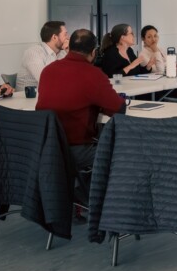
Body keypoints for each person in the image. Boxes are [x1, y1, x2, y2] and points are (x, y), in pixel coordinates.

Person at [36, 29, 125, 171]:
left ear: (69, 48)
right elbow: (118, 110)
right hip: (76, 151)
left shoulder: (48, 70)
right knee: (123, 153)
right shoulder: (93, 74)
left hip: (45, 149)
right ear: (94, 52)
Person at [16, 20, 68, 92]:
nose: (68, 38)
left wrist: (69, 52)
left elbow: (74, 75)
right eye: (65, 34)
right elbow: (46, 81)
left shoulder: (63, 53)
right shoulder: (33, 53)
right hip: (28, 99)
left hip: (50, 94)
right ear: (54, 37)